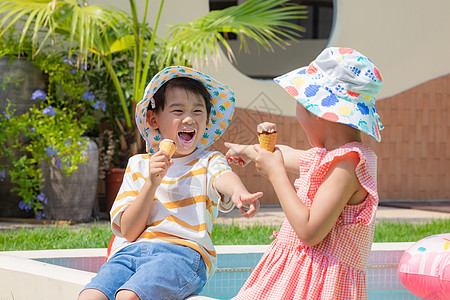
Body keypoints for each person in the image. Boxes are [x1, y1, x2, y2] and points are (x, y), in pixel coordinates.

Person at [79, 66, 262, 300]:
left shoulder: (208, 161)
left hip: (183, 254)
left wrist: (239, 192)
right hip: (130, 252)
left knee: (128, 296)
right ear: (153, 119)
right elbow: (129, 231)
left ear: (207, 119)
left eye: (198, 111)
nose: (189, 118)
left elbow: (224, 178)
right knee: (90, 296)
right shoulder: (138, 165)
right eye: (178, 111)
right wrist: (151, 183)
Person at [225, 47, 384, 299]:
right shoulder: (329, 156)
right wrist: (249, 150)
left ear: (316, 111)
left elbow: (310, 232)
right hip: (298, 277)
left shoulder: (349, 165)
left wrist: (277, 175)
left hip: (320, 286)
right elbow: (283, 154)